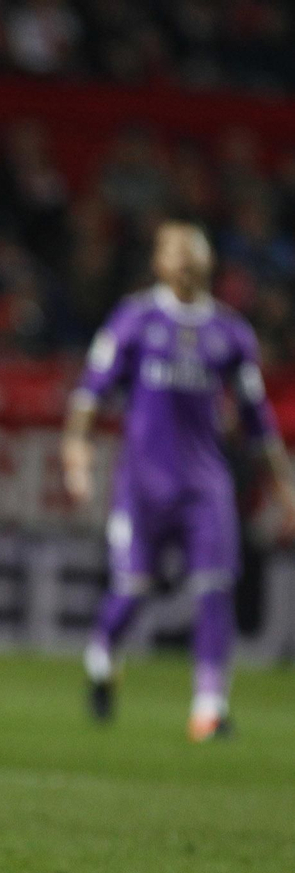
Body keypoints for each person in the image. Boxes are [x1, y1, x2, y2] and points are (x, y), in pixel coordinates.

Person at [63, 220, 295, 740]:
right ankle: (102, 658)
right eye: (175, 249)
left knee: (215, 589)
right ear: (159, 262)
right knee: (133, 589)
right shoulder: (135, 319)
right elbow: (90, 391)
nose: (186, 258)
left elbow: (258, 418)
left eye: (194, 248)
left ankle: (209, 708)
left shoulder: (232, 332)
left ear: (210, 259)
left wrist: (284, 484)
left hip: (205, 483)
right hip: (142, 483)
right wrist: (74, 448)